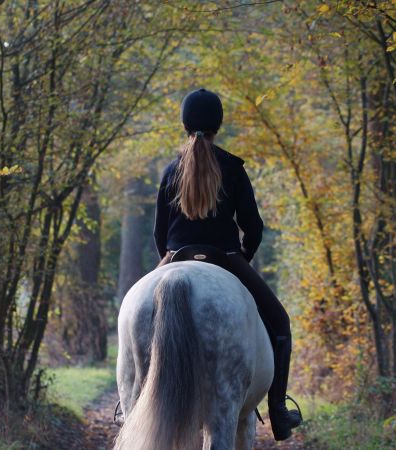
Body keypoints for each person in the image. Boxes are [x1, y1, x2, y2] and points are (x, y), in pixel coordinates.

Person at [153, 88, 301, 441]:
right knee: (279, 321)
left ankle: (129, 405)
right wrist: (241, 260)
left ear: (185, 124)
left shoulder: (172, 169)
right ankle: (278, 412)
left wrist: (170, 258)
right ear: (218, 125)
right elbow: (254, 227)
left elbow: (159, 232)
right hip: (227, 259)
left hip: (175, 257)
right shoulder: (233, 168)